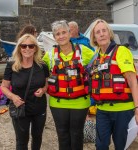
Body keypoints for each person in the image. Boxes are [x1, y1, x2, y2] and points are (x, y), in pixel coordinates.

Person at [43, 20, 94, 150]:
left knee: (77, 135)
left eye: (64, 32)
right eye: (58, 34)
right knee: (62, 135)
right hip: (58, 102)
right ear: (54, 37)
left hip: (80, 102)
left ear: (70, 33)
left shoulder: (84, 51)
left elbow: (100, 62)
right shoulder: (49, 56)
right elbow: (37, 72)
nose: (61, 36)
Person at [89, 18, 138, 150]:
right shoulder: (96, 57)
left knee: (121, 146)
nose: (102, 34)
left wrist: (137, 108)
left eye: (104, 30)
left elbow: (132, 81)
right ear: (94, 37)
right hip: (103, 111)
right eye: (98, 32)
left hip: (123, 111)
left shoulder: (121, 51)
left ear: (109, 33)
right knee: (101, 146)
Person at [1, 34, 49, 150]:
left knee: (37, 137)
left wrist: (43, 90)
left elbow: (46, 84)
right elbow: (3, 87)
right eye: (24, 46)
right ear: (19, 48)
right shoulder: (12, 65)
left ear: (35, 48)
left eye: (31, 46)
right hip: (20, 108)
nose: (27, 49)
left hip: (39, 108)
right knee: (22, 141)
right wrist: (13, 97)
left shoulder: (42, 66)